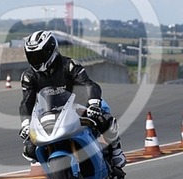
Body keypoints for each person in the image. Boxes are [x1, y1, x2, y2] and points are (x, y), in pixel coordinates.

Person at [18, 30, 126, 168]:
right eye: (32, 56)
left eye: (39, 55)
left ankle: (116, 150)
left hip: (78, 106)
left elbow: (88, 84)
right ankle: (53, 168)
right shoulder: (29, 76)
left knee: (103, 118)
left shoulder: (69, 65)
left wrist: (93, 103)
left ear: (51, 51)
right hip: (49, 112)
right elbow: (26, 102)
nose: (36, 60)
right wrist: (25, 125)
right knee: (29, 149)